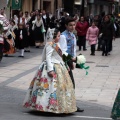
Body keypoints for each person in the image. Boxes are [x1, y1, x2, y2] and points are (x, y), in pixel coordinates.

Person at [23, 29, 77, 113]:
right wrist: (50, 70)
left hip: (59, 65)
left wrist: (72, 59)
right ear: (53, 36)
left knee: (58, 87)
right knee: (49, 87)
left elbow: (62, 54)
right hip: (51, 66)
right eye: (58, 36)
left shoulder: (56, 44)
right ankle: (46, 106)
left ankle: (57, 106)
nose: (59, 37)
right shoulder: (50, 45)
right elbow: (48, 57)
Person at [59, 18, 84, 112]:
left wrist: (73, 61)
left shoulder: (73, 35)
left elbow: (73, 50)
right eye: (70, 25)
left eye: (74, 25)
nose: (73, 27)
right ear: (66, 25)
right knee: (69, 84)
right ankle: (70, 105)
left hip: (69, 61)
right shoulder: (63, 36)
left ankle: (70, 104)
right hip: (64, 61)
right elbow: (62, 51)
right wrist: (70, 60)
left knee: (70, 84)